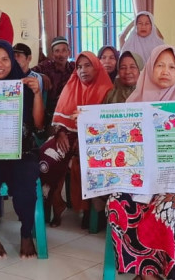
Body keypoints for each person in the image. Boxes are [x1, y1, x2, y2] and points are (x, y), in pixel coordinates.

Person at [107, 45, 175, 280]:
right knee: (116, 201)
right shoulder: (133, 103)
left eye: (172, 67)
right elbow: (118, 143)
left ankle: (165, 271)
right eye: (160, 65)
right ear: (149, 68)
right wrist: (86, 121)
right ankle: (147, 272)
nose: (165, 71)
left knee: (169, 207)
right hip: (140, 178)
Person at [0, 40, 44, 258]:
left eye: (4, 59)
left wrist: (37, 94)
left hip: (20, 152)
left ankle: (26, 233)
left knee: (26, 185)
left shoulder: (24, 87)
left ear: (12, 61)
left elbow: (39, 124)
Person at [39, 52, 112, 226]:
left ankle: (88, 210)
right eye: (79, 67)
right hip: (68, 135)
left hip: (96, 138)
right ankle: (56, 201)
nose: (82, 70)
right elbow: (58, 120)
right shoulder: (72, 85)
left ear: (96, 67)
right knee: (46, 156)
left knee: (85, 161)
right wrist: (60, 133)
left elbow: (108, 125)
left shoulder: (107, 89)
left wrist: (86, 138)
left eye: (87, 65)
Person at [32, 36, 75, 127]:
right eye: (57, 51)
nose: (61, 55)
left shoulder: (74, 67)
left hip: (71, 111)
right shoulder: (45, 66)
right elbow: (28, 73)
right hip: (51, 113)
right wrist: (41, 75)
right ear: (52, 54)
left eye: (64, 50)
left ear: (69, 52)